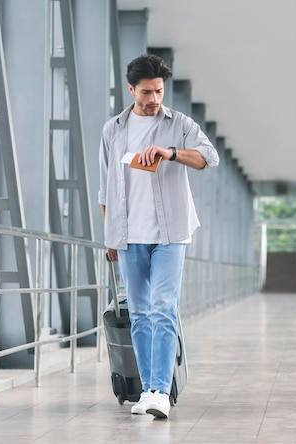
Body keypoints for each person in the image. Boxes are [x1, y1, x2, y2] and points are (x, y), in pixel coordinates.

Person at [98, 54, 219, 418]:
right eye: (147, 92)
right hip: (129, 235)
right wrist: (111, 237)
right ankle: (147, 389)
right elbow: (105, 188)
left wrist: (170, 153)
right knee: (139, 313)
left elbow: (208, 158)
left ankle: (160, 392)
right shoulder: (113, 130)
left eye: (159, 91)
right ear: (131, 89)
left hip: (171, 233)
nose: (154, 99)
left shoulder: (178, 123)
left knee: (163, 308)